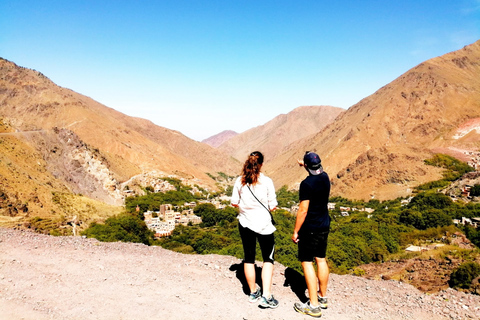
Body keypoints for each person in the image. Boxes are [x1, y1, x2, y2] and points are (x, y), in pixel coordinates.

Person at [231, 151, 279, 309]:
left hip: (245, 223)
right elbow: (272, 206)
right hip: (264, 225)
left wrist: (247, 207)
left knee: (249, 258)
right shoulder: (267, 181)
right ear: (262, 164)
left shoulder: (240, 181)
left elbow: (234, 203)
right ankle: (266, 296)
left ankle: (253, 292)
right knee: (268, 259)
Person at [292, 151, 331, 318]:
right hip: (324, 225)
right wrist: (306, 164)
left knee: (306, 262)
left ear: (306, 166)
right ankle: (322, 297)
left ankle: (313, 306)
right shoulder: (325, 177)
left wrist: (295, 231)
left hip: (310, 228)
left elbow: (303, 210)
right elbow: (315, 169)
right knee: (320, 259)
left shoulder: (306, 184)